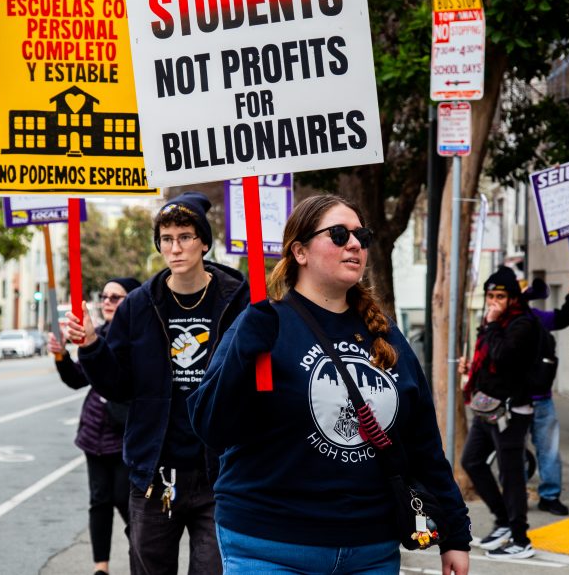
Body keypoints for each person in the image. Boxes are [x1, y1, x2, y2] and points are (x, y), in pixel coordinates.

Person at [188, 194, 471, 575]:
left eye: (361, 235)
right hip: (270, 546)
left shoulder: (385, 334)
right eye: (338, 234)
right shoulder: (262, 324)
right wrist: (242, 352)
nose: (354, 244)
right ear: (300, 252)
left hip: (370, 550)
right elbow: (211, 427)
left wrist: (455, 534)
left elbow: (423, 442)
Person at [62, 191, 249, 575]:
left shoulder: (238, 300)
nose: (175, 247)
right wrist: (93, 345)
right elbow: (117, 385)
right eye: (166, 239)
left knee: (214, 569)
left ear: (203, 242)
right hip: (155, 473)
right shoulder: (139, 305)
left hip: (219, 472)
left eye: (185, 236)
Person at [49, 276, 141, 575]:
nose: (107, 302)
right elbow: (78, 378)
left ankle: (140, 558)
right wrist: (61, 355)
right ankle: (101, 567)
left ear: (132, 302)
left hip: (126, 435)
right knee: (99, 501)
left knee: (125, 502)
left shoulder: (139, 338)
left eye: (116, 298)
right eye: (104, 296)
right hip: (93, 433)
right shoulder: (96, 334)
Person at [459, 265, 539, 560]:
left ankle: (521, 539)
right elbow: (488, 359)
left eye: (500, 296)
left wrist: (491, 325)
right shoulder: (493, 322)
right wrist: (471, 370)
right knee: (472, 461)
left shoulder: (522, 324)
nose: (494, 301)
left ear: (512, 298)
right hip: (486, 406)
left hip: (511, 411)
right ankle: (503, 520)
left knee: (511, 474)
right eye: (490, 295)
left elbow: (504, 357)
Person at [524, 273, 569, 516]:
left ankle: (549, 497)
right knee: (512, 451)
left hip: (542, 399)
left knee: (548, 450)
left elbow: (563, 317)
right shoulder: (499, 324)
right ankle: (515, 498)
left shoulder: (536, 318)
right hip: (513, 401)